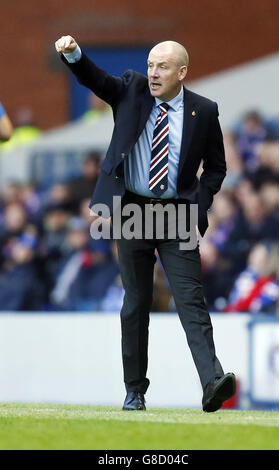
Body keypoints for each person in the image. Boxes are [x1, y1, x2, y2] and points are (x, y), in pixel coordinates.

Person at [55, 35, 236, 412]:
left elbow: (216, 168)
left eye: (163, 66)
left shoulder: (204, 110)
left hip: (177, 216)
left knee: (192, 301)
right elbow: (95, 79)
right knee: (135, 303)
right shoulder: (132, 90)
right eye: (151, 64)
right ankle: (134, 391)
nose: (153, 73)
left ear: (182, 72)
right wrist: (73, 54)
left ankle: (211, 383)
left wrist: (197, 205)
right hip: (132, 210)